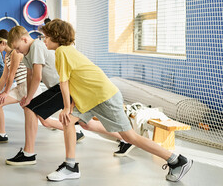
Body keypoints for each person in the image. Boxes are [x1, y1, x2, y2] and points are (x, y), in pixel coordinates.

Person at [41, 19, 193, 182]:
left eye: (47, 37)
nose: (44, 40)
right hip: (91, 98)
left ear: (56, 37)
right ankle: (70, 166)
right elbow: (74, 82)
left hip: (103, 97)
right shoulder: (67, 51)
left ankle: (176, 160)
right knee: (71, 122)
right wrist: (70, 107)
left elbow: (64, 83)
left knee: (130, 137)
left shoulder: (62, 52)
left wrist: (65, 107)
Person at [5, 26, 84, 166]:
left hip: (63, 87)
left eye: (17, 48)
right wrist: (27, 95)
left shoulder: (36, 46)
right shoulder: (28, 52)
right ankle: (123, 138)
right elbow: (29, 75)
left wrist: (29, 99)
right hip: (57, 88)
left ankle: (28, 153)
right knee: (86, 124)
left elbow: (37, 76)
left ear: (24, 39)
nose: (17, 52)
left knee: (30, 108)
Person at [0, 29, 44, 143]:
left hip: (29, 88)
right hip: (20, 88)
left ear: (3, 43)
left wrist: (5, 92)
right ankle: (1, 135)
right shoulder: (7, 55)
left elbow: (11, 76)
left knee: (45, 121)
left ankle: (74, 131)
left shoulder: (15, 53)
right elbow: (4, 76)